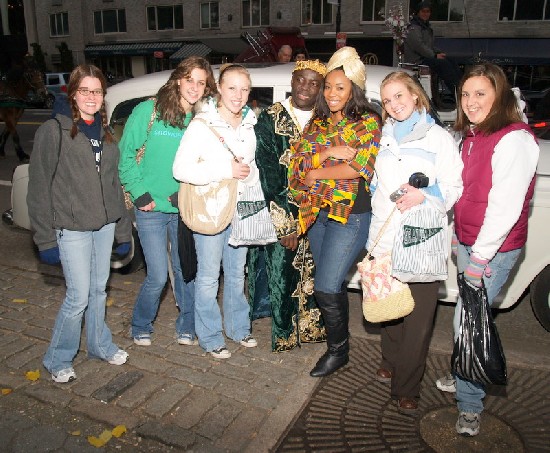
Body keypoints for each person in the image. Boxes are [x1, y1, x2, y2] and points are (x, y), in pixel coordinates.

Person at [436, 63, 539, 436]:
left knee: (469, 321)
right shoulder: (473, 136)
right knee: (468, 319)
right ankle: (464, 372)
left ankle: (469, 404)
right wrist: (454, 233)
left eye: (480, 93)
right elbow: (464, 193)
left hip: (492, 249)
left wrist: (479, 257)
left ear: (500, 96)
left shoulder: (514, 139)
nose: (470, 101)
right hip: (470, 242)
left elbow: (505, 208)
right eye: (465, 94)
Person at [27, 64, 130, 383]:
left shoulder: (106, 133)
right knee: (78, 296)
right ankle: (57, 357)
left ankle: (99, 344)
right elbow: (39, 186)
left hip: (104, 227)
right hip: (71, 228)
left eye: (97, 91)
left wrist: (123, 230)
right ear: (72, 94)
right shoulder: (53, 131)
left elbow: (113, 185)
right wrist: (45, 240)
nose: (91, 97)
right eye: (84, 90)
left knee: (99, 290)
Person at [370, 71, 463, 414]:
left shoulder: (438, 137)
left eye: (399, 96)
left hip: (422, 239)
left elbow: (455, 186)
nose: (394, 105)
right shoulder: (382, 136)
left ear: (415, 96)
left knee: (419, 319)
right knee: (390, 309)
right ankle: (390, 361)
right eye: (388, 100)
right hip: (385, 235)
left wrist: (424, 195)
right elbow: (376, 183)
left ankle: (407, 385)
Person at [288, 46, 381, 377]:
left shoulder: (368, 122)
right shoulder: (317, 123)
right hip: (317, 215)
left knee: (326, 285)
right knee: (330, 282)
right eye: (328, 87)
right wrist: (326, 153)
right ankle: (338, 341)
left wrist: (316, 171)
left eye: (339, 87)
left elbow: (358, 167)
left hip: (351, 215)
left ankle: (338, 350)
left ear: (353, 89)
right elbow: (296, 167)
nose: (330, 93)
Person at [119, 56, 216, 347]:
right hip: (150, 208)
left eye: (201, 82)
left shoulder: (200, 120)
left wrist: (188, 191)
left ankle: (187, 324)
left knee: (185, 269)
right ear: (177, 79)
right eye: (190, 80)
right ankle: (140, 323)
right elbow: (125, 157)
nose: (195, 87)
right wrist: (140, 194)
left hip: (183, 208)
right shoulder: (148, 110)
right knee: (158, 275)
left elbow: (202, 162)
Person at [173, 64, 258, 359]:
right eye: (232, 88)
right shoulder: (202, 124)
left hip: (239, 212)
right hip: (210, 212)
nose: (239, 95)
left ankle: (237, 327)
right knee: (209, 278)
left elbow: (250, 169)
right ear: (219, 89)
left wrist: (247, 177)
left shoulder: (250, 125)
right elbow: (180, 169)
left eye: (245, 89)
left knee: (236, 275)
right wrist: (226, 169)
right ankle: (210, 337)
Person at [248, 59, 328, 352]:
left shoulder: (326, 119)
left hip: (320, 214)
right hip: (282, 212)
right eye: (300, 81)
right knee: (282, 274)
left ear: (320, 88)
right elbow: (268, 172)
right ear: (292, 81)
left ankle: (311, 330)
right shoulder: (270, 118)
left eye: (313, 83)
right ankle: (284, 335)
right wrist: (287, 224)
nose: (305, 88)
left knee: (318, 273)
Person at [404, 1, 461, 101]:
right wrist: (434, 56)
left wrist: (438, 52)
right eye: (423, 11)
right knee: (443, 65)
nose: (426, 14)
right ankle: (456, 92)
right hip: (417, 60)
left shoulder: (425, 26)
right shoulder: (414, 27)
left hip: (426, 57)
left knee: (451, 60)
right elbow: (418, 46)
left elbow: (429, 45)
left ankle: (460, 88)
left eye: (428, 11)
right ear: (418, 12)